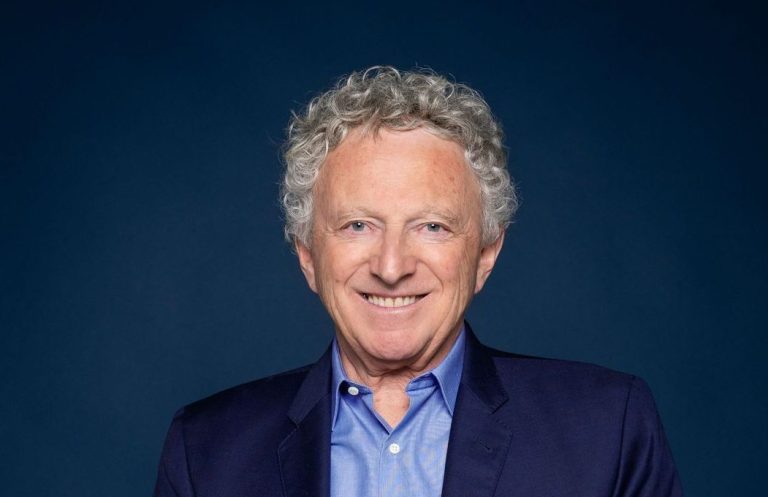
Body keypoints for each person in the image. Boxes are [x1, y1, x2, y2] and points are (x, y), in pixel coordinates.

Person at [154, 66, 683, 497]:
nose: (391, 267)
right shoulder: (206, 451)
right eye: (358, 225)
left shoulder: (605, 429)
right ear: (307, 254)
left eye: (432, 226)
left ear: (485, 253)